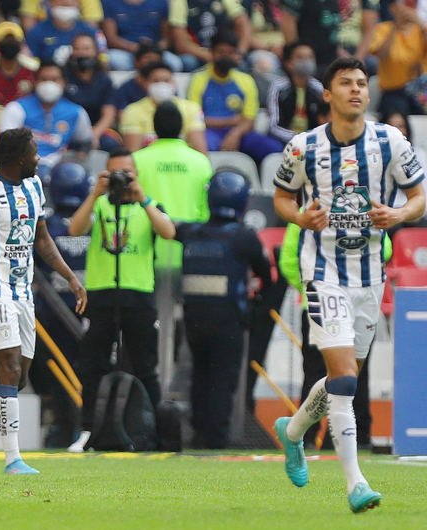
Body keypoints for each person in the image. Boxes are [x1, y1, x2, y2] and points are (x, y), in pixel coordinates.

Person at [272, 57, 426, 513]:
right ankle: (356, 483)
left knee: (348, 378)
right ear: (328, 94)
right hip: (322, 271)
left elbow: (419, 195)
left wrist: (398, 214)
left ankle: (293, 430)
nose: (356, 90)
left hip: (369, 275)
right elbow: (282, 196)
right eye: (346, 83)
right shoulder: (302, 148)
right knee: (342, 378)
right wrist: (301, 216)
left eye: (362, 83)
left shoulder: (390, 141)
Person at [0, 126, 87, 473]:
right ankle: (13, 459)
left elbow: (42, 241)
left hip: (24, 294)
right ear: (19, 158)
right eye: (35, 154)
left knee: (18, 377)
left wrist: (70, 277)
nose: (39, 159)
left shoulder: (35, 187)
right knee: (7, 369)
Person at [65, 147, 175, 451]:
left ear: (137, 175)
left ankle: (151, 430)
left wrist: (144, 198)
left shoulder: (148, 205)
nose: (121, 180)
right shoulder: (99, 205)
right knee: (93, 365)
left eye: (127, 173)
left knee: (145, 366)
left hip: (138, 294)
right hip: (101, 293)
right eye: (115, 173)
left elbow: (168, 232)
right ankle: (89, 429)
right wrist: (94, 193)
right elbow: (75, 229)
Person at [175, 170, 271, 449]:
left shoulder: (190, 232)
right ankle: (216, 439)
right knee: (221, 380)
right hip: (228, 321)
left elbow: (169, 227)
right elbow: (266, 273)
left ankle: (198, 435)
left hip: (193, 319)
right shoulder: (244, 237)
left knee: (200, 376)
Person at [278, 220, 391, 450]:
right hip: (324, 304)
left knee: (343, 372)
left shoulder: (310, 210)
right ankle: (313, 437)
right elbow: (290, 260)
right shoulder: (360, 206)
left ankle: (333, 438)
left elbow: (289, 259)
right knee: (332, 372)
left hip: (340, 304)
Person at [32, 160, 89, 447]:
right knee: (83, 370)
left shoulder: (47, 225)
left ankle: (63, 425)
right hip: (86, 313)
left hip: (52, 318)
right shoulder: (93, 221)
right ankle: (78, 426)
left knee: (53, 372)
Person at [132, 101, 212, 269]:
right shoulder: (201, 162)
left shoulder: (137, 160)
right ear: (182, 126)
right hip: (189, 250)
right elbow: (206, 208)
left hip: (146, 252)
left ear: (154, 126)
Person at [187, 29, 283, 165]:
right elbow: (195, 119)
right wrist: (232, 121)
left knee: (273, 148)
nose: (225, 57)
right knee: (201, 147)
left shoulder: (245, 81)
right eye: (221, 52)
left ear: (236, 54)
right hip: (208, 132)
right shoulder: (198, 79)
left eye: (230, 53)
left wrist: (235, 134)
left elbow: (249, 120)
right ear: (212, 53)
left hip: (240, 133)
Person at [0, 61, 93, 176]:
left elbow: (85, 141)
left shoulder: (76, 112)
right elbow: (6, 144)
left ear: (64, 83)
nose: (49, 84)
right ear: (35, 82)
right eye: (44, 79)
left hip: (59, 169)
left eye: (54, 79)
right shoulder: (16, 108)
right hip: (25, 167)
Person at [120, 60, 207, 154]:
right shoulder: (132, 111)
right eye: (156, 81)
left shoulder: (191, 108)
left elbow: (200, 150)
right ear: (145, 84)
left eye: (166, 80)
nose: (162, 85)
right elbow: (133, 153)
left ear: (174, 83)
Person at [370, 0, 427, 117]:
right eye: (403, 4)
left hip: (421, 91)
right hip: (393, 92)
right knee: (396, 114)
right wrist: (396, 27)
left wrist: (421, 24)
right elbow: (382, 55)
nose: (407, 8)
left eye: (411, 4)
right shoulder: (383, 29)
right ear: (392, 8)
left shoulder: (421, 30)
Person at [63, 33, 119, 151]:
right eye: (77, 49)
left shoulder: (104, 80)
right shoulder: (64, 78)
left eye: (87, 49)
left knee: (110, 144)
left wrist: (94, 134)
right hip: (68, 128)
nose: (82, 53)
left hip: (97, 128)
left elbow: (109, 114)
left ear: (96, 52)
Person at [168, 0, 252, 72]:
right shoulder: (180, 2)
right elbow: (181, 44)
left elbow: (243, 23)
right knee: (188, 62)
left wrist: (240, 52)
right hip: (196, 54)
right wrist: (210, 56)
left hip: (223, 52)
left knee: (241, 64)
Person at [267, 42, 324, 145]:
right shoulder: (278, 87)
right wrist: (298, 137)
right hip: (284, 140)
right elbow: (274, 126)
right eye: (300, 57)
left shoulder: (318, 88)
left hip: (312, 140)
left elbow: (324, 121)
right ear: (289, 64)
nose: (306, 62)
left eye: (310, 57)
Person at [102, 0, 183, 72]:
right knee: (116, 61)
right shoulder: (109, 2)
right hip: (125, 50)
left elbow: (167, 37)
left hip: (154, 49)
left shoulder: (160, 2)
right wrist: (135, 48)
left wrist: (155, 48)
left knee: (175, 63)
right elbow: (111, 38)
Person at [25, 0, 108, 65]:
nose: (66, 1)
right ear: (50, 3)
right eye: (60, 0)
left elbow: (104, 63)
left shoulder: (92, 32)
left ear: (79, 4)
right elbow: (31, 64)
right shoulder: (36, 32)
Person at [280, 0, 342, 78]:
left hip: (330, 58)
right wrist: (297, 54)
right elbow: (288, 24)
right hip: (307, 62)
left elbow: (332, 32)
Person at [109, 42, 164, 116]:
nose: (152, 64)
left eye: (155, 60)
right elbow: (122, 116)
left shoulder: (166, 87)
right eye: (148, 59)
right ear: (136, 62)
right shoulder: (125, 89)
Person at [21, 0, 103, 32]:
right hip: (44, 40)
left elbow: (91, 29)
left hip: (77, 41)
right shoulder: (37, 32)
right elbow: (29, 28)